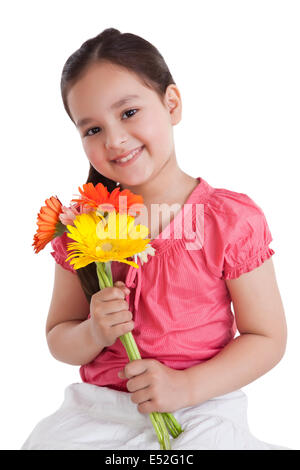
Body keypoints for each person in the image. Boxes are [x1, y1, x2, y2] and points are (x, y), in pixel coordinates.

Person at [21, 28, 288, 450]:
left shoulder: (229, 220)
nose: (114, 139)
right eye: (91, 130)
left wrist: (186, 387)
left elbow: (267, 338)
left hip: (202, 403)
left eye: (128, 113)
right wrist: (93, 332)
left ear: (172, 104)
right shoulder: (83, 227)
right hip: (100, 410)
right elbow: (59, 335)